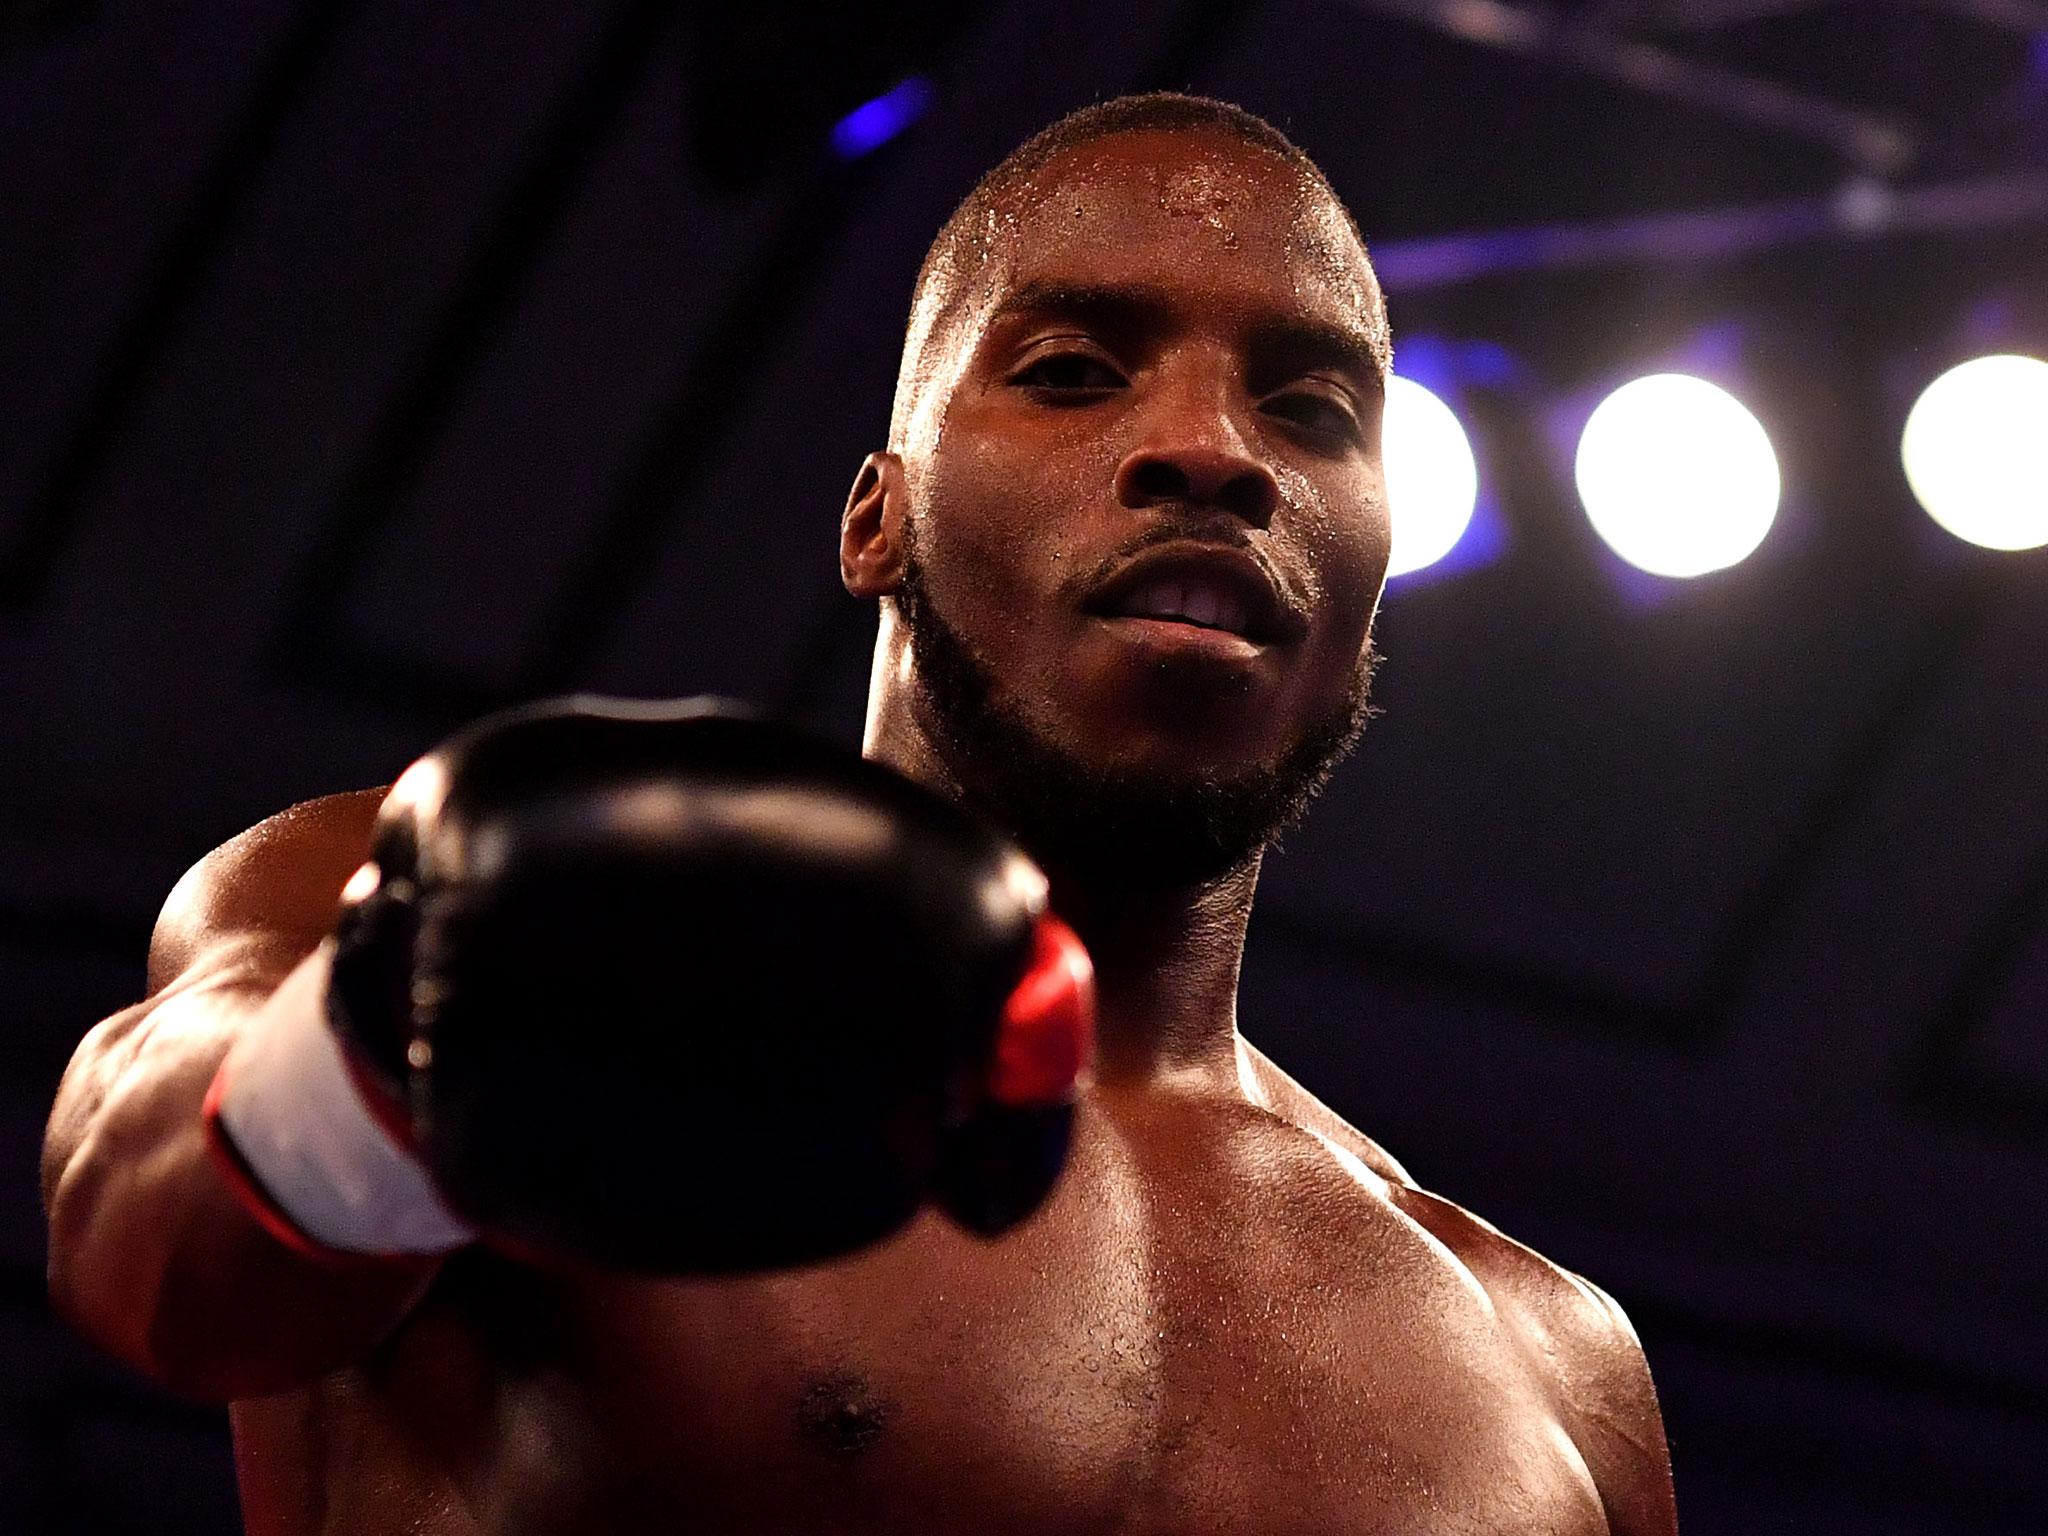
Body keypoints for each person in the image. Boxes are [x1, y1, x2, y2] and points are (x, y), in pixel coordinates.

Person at [41, 92, 1681, 1534]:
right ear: (876, 520)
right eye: (1073, 371)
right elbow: (154, 1262)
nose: (1210, 450)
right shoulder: (395, 898)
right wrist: (386, 1043)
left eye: (1313, 411)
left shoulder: (1551, 1368)